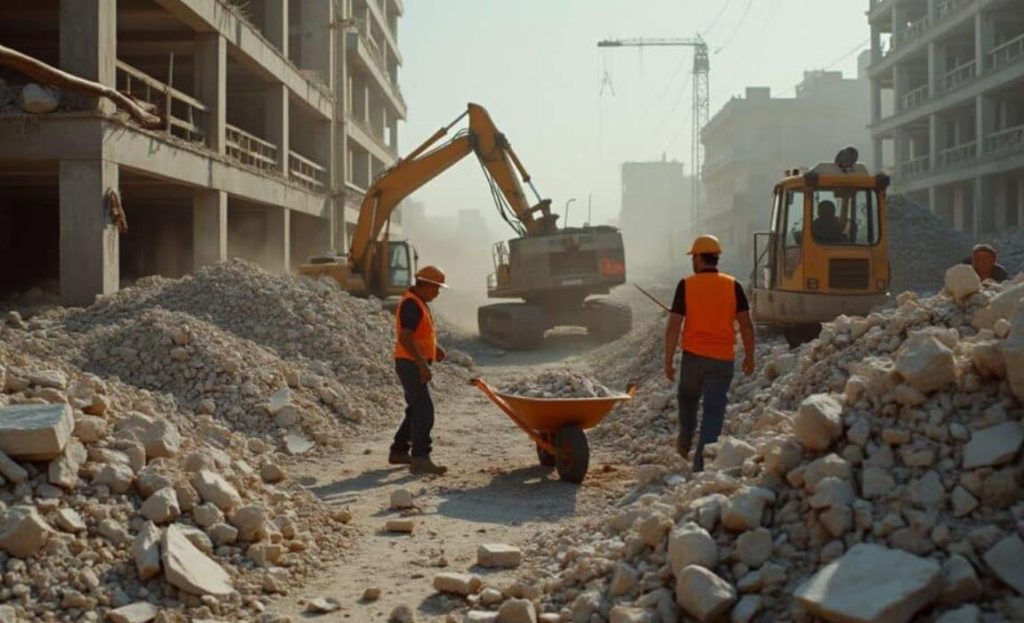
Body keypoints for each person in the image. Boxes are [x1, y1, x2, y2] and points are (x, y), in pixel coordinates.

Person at [664, 235, 757, 472]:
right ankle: (701, 466)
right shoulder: (733, 285)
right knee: (713, 413)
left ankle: (684, 442)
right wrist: (749, 355)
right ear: (716, 258)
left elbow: (674, 326)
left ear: (697, 257)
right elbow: (746, 324)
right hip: (722, 360)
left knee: (688, 400)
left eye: (692, 257)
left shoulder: (686, 285)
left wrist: (668, 361)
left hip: (693, 358)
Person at [389, 265, 449, 475]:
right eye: (436, 288)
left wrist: (435, 349)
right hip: (410, 364)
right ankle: (421, 458)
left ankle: (399, 450)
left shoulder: (418, 302)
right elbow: (405, 337)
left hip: (411, 362)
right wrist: (422, 363)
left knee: (416, 408)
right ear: (425, 285)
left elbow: (418, 334)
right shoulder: (411, 304)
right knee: (424, 411)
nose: (438, 292)